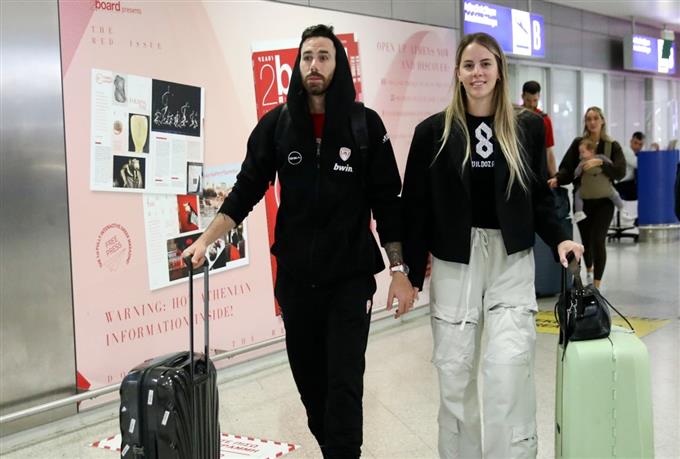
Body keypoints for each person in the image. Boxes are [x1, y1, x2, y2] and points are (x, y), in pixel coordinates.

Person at [182, 24, 414, 459]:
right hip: (296, 281)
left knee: (344, 383)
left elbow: (388, 202)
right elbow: (246, 190)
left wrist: (399, 271)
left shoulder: (365, 125)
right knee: (311, 387)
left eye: (324, 56)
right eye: (307, 57)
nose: (314, 65)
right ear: (298, 65)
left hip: (349, 279)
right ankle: (333, 448)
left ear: (338, 65)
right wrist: (206, 240)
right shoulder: (278, 125)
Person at [402, 32, 583, 459]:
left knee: (509, 368)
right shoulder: (432, 132)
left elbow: (538, 196)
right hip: (455, 260)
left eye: (485, 64)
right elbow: (416, 207)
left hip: (510, 259)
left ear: (500, 70)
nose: (477, 73)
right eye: (469, 65)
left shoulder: (526, 127)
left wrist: (561, 237)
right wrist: (408, 274)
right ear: (457, 73)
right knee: (454, 370)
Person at [549, 107, 626, 288]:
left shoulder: (611, 146)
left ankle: (596, 284)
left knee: (598, 240)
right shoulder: (579, 143)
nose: (592, 122)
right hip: (582, 201)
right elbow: (568, 168)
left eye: (595, 118)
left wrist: (600, 162)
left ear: (602, 121)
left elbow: (620, 171)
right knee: (586, 241)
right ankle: (589, 267)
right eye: (588, 119)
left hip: (604, 201)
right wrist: (558, 179)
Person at [572, 138, 628, 222]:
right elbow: (610, 164)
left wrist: (581, 167)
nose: (581, 154)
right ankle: (622, 208)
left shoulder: (593, 160)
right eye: (580, 152)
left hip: (592, 189)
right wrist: (581, 166)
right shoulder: (589, 160)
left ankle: (579, 212)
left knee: (578, 195)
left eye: (583, 152)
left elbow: (576, 173)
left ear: (591, 151)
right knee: (614, 194)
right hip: (599, 189)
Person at [521, 80, 557, 177]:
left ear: (539, 97)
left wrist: (554, 176)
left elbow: (548, 150)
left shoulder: (545, 120)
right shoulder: (514, 117)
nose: (532, 104)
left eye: (535, 100)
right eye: (528, 100)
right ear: (522, 96)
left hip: (539, 170)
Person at [616, 131, 645, 200]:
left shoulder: (636, 153)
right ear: (631, 141)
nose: (637, 146)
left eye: (640, 144)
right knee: (644, 192)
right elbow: (638, 164)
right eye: (635, 143)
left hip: (628, 183)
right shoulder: (626, 151)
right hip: (622, 185)